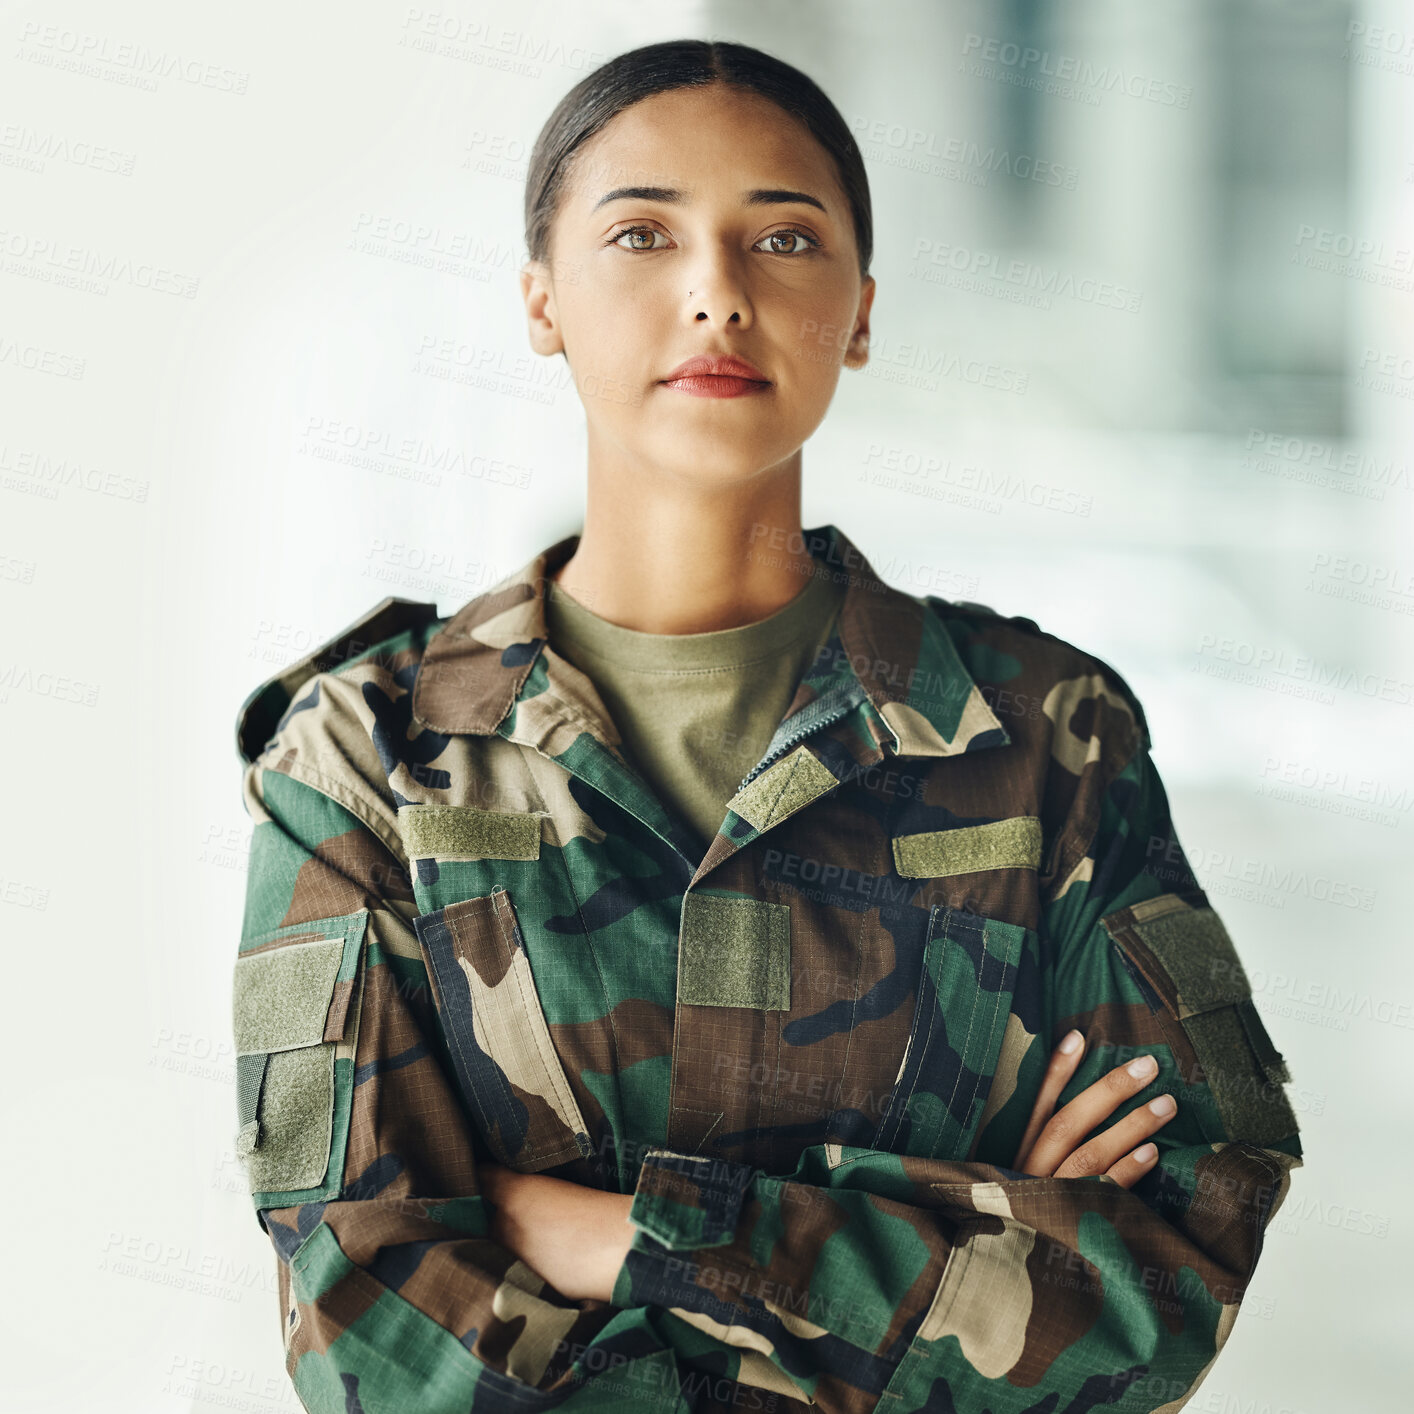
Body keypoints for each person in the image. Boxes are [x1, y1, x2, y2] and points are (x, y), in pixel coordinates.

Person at [230, 38, 1303, 1414]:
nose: (716, 295)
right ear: (542, 299)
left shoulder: (1044, 734)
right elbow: (368, 1321)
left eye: (782, 238)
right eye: (641, 234)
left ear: (858, 309)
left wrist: (622, 1233)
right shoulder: (364, 756)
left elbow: (1169, 1271)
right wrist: (973, 1227)